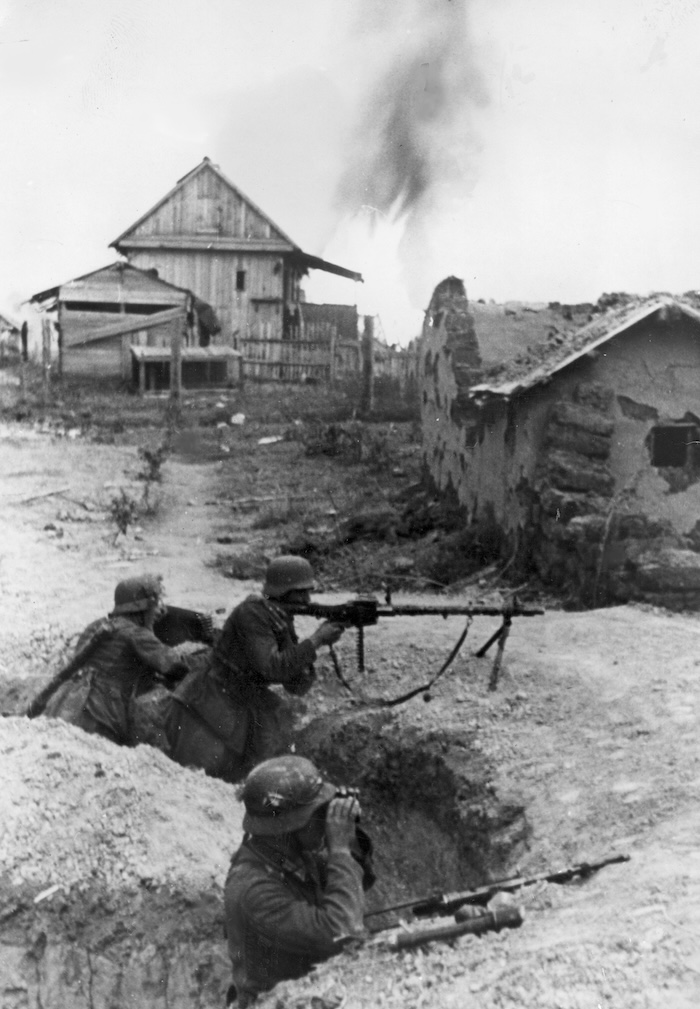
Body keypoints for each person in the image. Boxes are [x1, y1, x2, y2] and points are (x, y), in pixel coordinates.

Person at [167, 556, 344, 780]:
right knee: (204, 772)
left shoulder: (278, 618)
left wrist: (312, 649)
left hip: (244, 698)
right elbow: (271, 667)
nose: (307, 599)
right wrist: (316, 640)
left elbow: (296, 686)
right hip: (211, 699)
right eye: (301, 592)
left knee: (271, 752)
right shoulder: (251, 613)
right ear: (284, 591)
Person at [224, 755, 375, 1006]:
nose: (323, 820)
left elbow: (355, 888)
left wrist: (349, 838)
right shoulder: (252, 887)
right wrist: (338, 849)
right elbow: (344, 931)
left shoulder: (290, 857)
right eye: (315, 814)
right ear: (287, 827)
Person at [44, 574, 188, 745]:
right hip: (104, 714)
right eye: (155, 605)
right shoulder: (137, 634)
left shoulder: (96, 626)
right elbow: (176, 667)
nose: (159, 611)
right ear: (143, 608)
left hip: (67, 704)